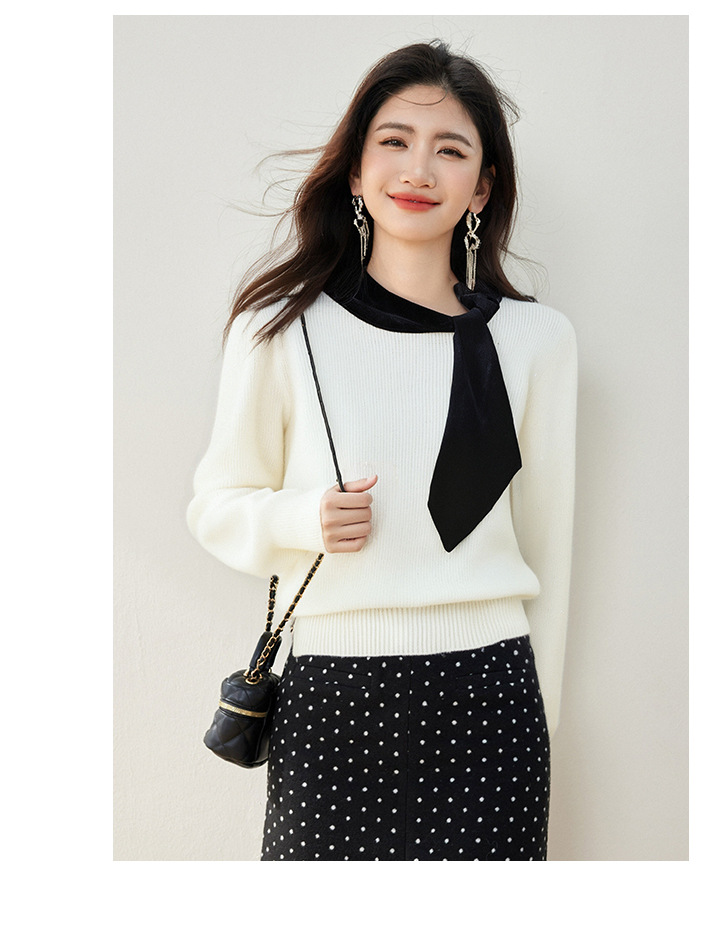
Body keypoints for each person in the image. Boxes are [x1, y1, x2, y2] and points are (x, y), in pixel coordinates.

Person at [187, 40, 577, 861]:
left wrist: (545, 722)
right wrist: (302, 519)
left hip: (492, 703)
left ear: (482, 187)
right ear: (357, 173)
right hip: (335, 699)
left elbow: (550, 550)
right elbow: (215, 505)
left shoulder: (539, 341)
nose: (419, 169)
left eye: (451, 150)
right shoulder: (280, 328)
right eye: (394, 141)